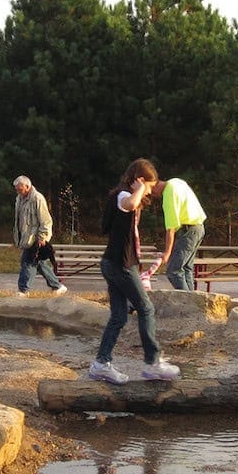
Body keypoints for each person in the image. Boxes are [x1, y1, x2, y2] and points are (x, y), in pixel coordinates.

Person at [88, 158, 181, 384]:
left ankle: (101, 364)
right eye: (149, 186)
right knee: (146, 308)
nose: (150, 192)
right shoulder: (122, 196)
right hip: (120, 265)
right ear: (138, 180)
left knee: (119, 316)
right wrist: (139, 190)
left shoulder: (118, 196)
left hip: (112, 263)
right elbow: (128, 204)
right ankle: (153, 363)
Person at [12, 175, 67, 297]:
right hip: (25, 238)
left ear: (27, 186)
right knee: (39, 263)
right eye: (16, 189)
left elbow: (46, 220)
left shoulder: (37, 198)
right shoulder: (19, 199)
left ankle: (23, 290)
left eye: (19, 189)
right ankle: (58, 286)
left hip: (35, 238)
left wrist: (43, 237)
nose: (18, 192)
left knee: (27, 262)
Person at [151, 177, 207, 290]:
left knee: (174, 270)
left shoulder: (168, 193)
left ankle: (187, 302)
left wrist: (167, 253)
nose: (151, 195)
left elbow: (171, 228)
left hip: (188, 231)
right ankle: (193, 301)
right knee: (186, 268)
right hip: (198, 227)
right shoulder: (176, 181)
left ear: (153, 185)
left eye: (150, 191)